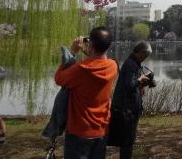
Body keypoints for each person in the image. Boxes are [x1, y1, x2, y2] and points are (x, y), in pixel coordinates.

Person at [55, 26, 118, 159]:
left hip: (79, 131)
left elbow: (59, 78)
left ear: (91, 44)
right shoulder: (113, 66)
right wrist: (90, 51)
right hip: (101, 130)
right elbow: (99, 62)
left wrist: (72, 52)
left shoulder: (80, 69)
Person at [109, 41, 154, 159]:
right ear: (140, 52)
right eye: (145, 55)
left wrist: (145, 82)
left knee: (129, 140)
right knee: (127, 141)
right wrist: (140, 79)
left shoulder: (135, 64)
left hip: (131, 109)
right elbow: (129, 85)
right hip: (126, 110)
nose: (146, 57)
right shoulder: (130, 64)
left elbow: (133, 86)